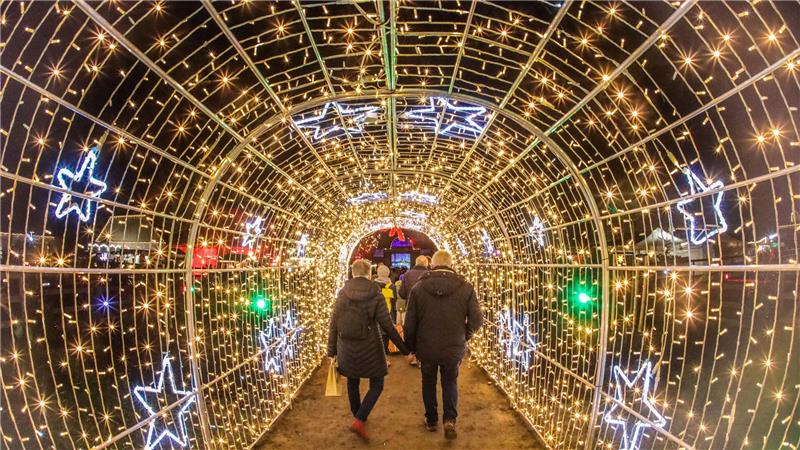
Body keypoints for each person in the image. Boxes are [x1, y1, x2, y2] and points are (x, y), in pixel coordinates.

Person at [403, 250, 482, 440]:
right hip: (453, 345)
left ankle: (431, 420)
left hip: (426, 346)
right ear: (452, 264)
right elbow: (477, 319)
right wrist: (464, 335)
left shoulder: (419, 288)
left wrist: (411, 347)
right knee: (450, 382)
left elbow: (410, 323)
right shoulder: (466, 287)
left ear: (432, 265)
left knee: (428, 382)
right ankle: (449, 420)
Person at [327, 259, 409, 441]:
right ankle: (360, 418)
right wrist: (404, 349)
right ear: (368, 273)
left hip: (346, 346)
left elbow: (333, 324)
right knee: (377, 383)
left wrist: (331, 351)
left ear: (353, 272)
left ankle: (357, 413)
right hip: (370, 346)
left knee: (352, 381)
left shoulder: (342, 293)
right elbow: (387, 325)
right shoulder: (375, 293)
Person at [398, 255, 428, 366]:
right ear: (426, 263)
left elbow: (401, 293)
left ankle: (414, 355)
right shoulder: (430, 274)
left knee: (411, 331)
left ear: (415, 262)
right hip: (427, 308)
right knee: (424, 331)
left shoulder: (407, 275)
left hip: (410, 307)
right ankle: (423, 357)